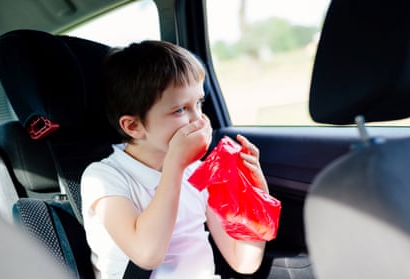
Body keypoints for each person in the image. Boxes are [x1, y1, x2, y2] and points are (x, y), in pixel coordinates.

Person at [81, 40, 269, 279]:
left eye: (199, 103)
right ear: (134, 126)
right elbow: (147, 255)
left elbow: (244, 261)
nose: (199, 120)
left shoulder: (197, 172)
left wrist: (255, 195)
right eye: (180, 109)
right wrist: (175, 165)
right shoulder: (103, 178)